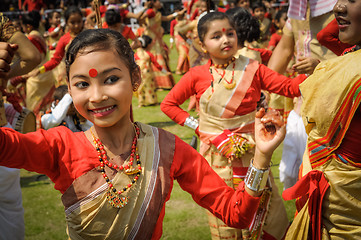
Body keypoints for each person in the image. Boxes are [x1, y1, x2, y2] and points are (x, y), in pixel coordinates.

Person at [0, 28, 285, 239]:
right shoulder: (60, 146)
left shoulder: (169, 149)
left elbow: (238, 213)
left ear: (135, 78)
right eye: (83, 84)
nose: (97, 96)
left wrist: (261, 157)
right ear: (70, 90)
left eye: (111, 79)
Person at [161, 11, 307, 240]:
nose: (226, 40)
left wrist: (320, 69)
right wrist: (200, 128)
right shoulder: (196, 75)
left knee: (261, 210)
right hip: (216, 156)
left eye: (230, 33)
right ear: (203, 44)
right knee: (223, 212)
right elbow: (168, 105)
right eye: (216, 36)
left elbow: (290, 88)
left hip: (253, 154)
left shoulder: (253, 69)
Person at [283, 0, 361, 238]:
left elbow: (325, 36)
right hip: (334, 206)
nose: (337, 7)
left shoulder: (351, 66)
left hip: (345, 211)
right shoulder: (351, 57)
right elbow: (325, 36)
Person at [0, 15, 41, 240]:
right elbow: (33, 56)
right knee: (11, 210)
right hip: (4, 134)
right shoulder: (1, 23)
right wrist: (7, 74)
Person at [25, 6, 84, 86]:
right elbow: (55, 60)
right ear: (66, 22)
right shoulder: (64, 39)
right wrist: (39, 70)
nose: (76, 25)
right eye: (72, 23)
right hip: (74, 77)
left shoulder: (90, 35)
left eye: (79, 21)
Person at [140, 0, 186, 89]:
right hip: (152, 38)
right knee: (156, 57)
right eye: (157, 1)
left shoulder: (156, 12)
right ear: (153, 3)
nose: (160, 3)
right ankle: (160, 83)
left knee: (160, 56)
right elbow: (141, 18)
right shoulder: (151, 12)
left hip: (157, 38)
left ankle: (159, 83)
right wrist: (145, 26)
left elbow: (167, 18)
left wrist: (178, 13)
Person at [18, 10, 56, 115]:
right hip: (46, 74)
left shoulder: (31, 39)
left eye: (23, 26)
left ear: (28, 26)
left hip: (36, 76)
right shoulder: (39, 35)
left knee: (33, 107)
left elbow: (31, 59)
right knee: (46, 108)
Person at [134, 35, 168, 107]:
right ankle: (153, 101)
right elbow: (157, 65)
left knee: (140, 89)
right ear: (148, 45)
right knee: (150, 88)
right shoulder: (149, 54)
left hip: (139, 74)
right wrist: (165, 72)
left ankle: (141, 102)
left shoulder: (136, 54)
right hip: (148, 75)